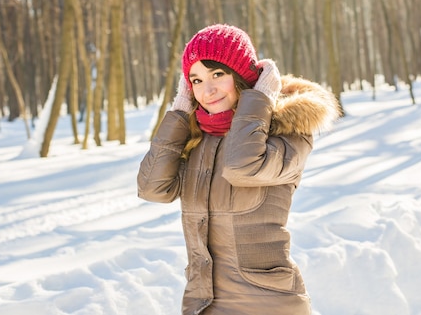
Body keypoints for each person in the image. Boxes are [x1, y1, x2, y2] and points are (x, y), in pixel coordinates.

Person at [137, 24, 340, 315]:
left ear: (242, 75)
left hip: (269, 303)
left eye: (218, 74)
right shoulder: (197, 139)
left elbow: (242, 168)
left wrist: (260, 99)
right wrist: (180, 111)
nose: (207, 90)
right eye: (195, 80)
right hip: (203, 304)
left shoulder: (287, 132)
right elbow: (152, 188)